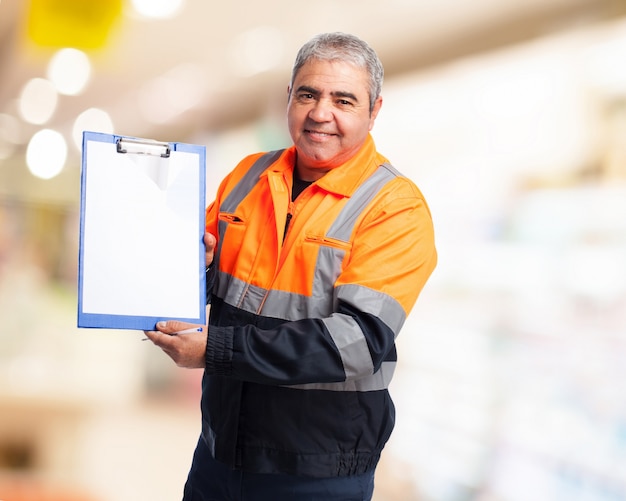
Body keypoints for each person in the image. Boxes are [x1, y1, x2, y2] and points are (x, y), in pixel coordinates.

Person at [144, 32, 437, 501]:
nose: (321, 113)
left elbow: (356, 343)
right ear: (289, 97)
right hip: (220, 453)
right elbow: (217, 285)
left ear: (374, 110)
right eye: (308, 94)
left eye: (344, 99)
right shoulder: (246, 177)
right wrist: (190, 271)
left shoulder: (394, 208)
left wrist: (214, 351)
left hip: (317, 473)